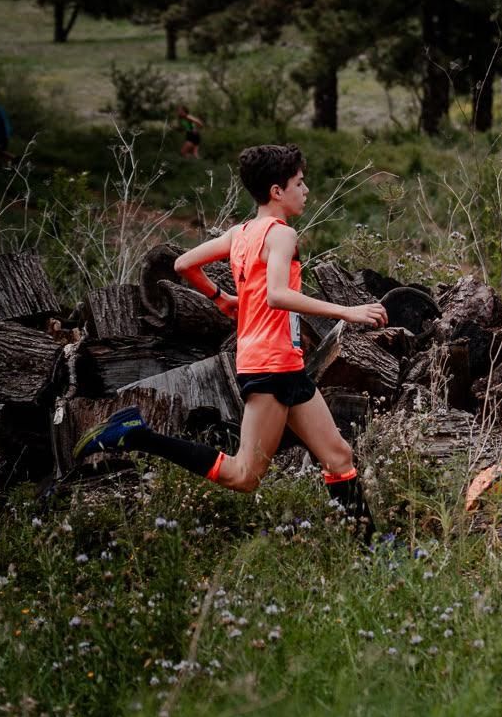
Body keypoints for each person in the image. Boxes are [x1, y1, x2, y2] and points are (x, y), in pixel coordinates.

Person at [70, 144, 388, 536]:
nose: (306, 191)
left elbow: (184, 263)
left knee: (338, 457)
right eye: (299, 183)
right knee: (243, 475)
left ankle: (375, 550)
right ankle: (138, 435)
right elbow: (277, 294)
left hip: (285, 363)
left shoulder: (241, 233)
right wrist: (347, 311)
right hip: (269, 366)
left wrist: (221, 298)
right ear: (277, 191)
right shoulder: (282, 235)